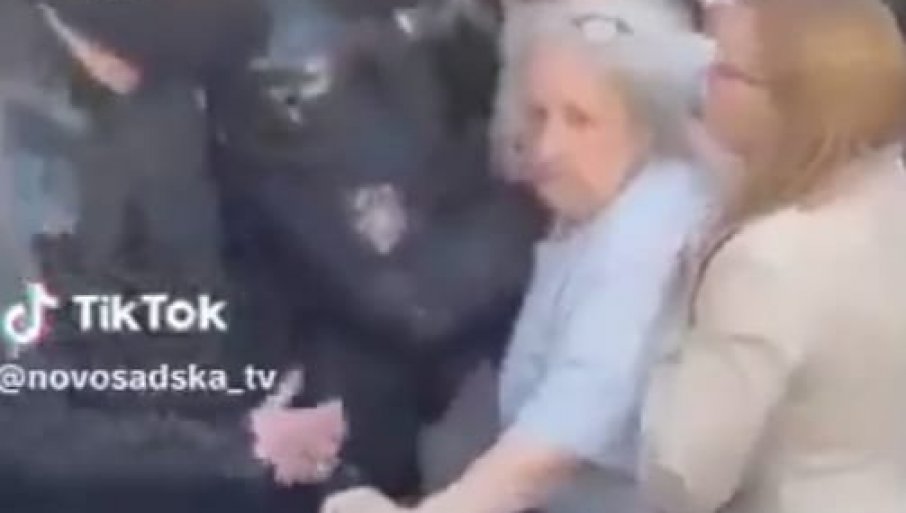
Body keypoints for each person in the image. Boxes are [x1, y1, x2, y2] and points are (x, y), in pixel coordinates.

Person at [321, 1, 714, 512]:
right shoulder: (598, 202)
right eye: (537, 114)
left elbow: (575, 412)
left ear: (647, 124)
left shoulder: (645, 237)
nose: (547, 147)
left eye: (580, 120)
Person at [640, 1, 906, 512]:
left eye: (723, 70)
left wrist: (686, 297)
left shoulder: (764, 260)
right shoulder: (890, 196)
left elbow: (681, 478)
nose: (703, 82)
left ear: (793, 100)